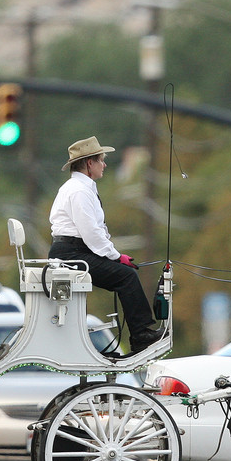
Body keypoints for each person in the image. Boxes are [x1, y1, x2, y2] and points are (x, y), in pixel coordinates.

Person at [48, 136, 163, 353]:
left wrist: (114, 255)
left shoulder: (79, 188)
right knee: (126, 276)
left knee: (123, 274)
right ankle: (141, 336)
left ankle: (141, 334)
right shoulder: (79, 191)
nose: (104, 165)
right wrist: (116, 256)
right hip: (72, 253)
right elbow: (91, 233)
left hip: (74, 250)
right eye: (101, 160)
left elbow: (95, 233)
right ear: (89, 163)